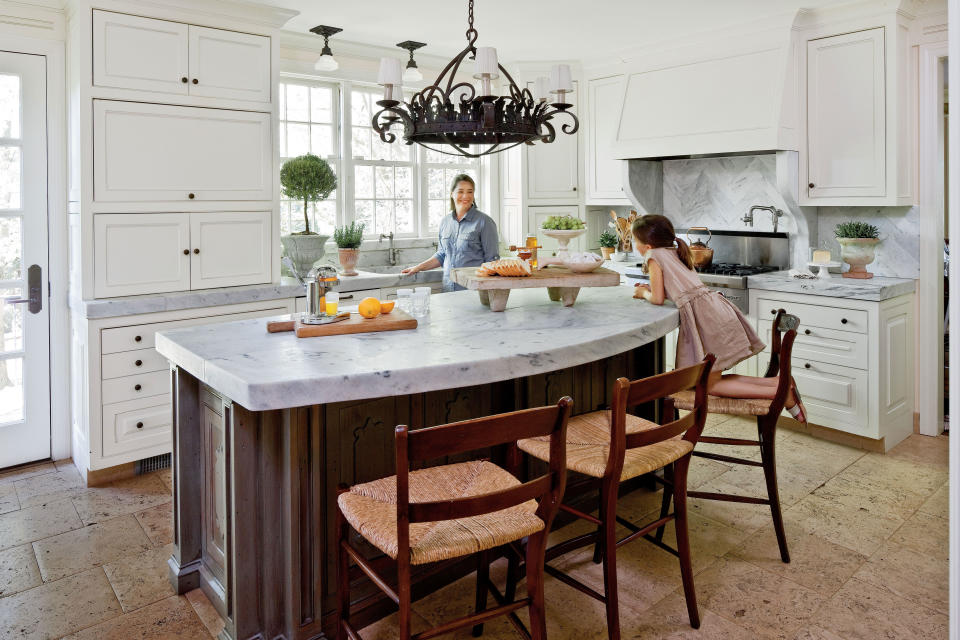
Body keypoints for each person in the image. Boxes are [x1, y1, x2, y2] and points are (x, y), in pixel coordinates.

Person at [632, 214, 807, 421]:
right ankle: (780, 384)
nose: (635, 245)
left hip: (707, 319)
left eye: (635, 241)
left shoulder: (654, 256)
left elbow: (658, 298)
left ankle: (781, 393)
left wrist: (643, 293)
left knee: (709, 384)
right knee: (710, 378)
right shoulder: (674, 250)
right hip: (715, 311)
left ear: (648, 245)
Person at [402, 174, 499, 291]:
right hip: (448, 288)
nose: (465, 196)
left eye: (470, 192)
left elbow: (492, 262)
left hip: (473, 291)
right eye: (460, 191)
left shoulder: (484, 222)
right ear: (452, 193)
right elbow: (442, 255)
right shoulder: (445, 222)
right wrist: (418, 267)